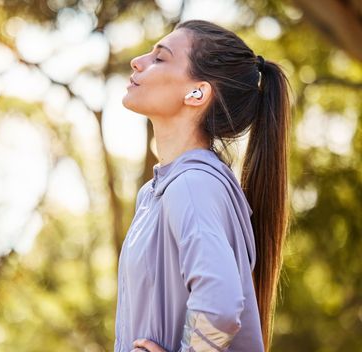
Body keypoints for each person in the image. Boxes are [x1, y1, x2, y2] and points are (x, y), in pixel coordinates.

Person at [115, 20, 291, 352]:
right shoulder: (157, 192)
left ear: (197, 92)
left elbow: (220, 303)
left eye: (160, 58)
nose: (137, 61)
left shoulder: (194, 184)